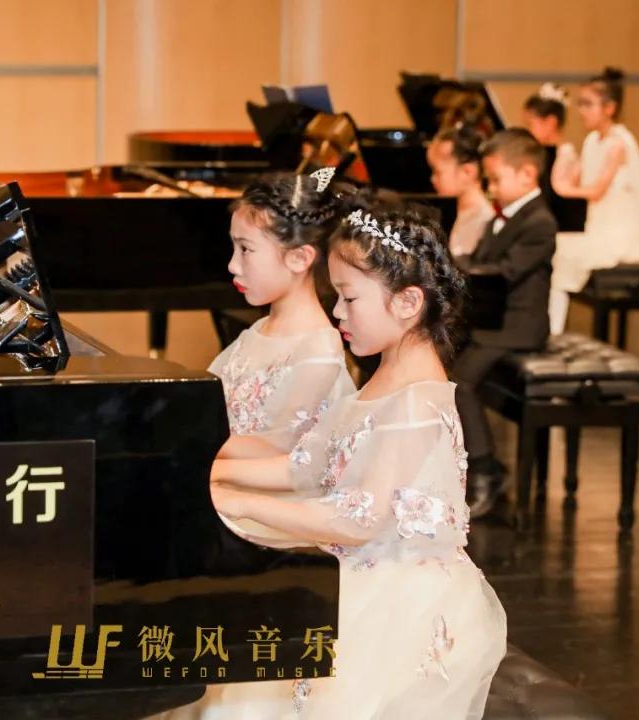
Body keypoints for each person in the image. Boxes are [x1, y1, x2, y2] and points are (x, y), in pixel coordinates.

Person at [156, 203, 507, 719]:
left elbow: (357, 519)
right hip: (351, 565)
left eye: (349, 297)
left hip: (396, 595)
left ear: (408, 302)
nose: (337, 312)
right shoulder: (386, 373)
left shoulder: (417, 401)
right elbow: (302, 466)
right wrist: (206, 475)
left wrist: (234, 503)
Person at [207, 169, 356, 546]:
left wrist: (189, 448)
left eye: (246, 249)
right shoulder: (257, 331)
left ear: (299, 258)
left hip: (270, 510)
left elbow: (276, 448)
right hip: (228, 481)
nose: (233, 264)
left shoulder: (317, 350)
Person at [451, 129, 556, 518]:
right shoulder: (504, 217)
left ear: (527, 174)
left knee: (460, 383)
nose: (490, 188)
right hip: (493, 319)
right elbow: (480, 259)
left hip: (517, 327)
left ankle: (486, 469)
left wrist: (464, 269)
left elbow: (504, 272)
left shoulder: (540, 222)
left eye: (495, 179)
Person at [549, 67, 639, 335]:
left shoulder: (619, 144)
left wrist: (563, 188)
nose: (581, 111)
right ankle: (552, 329)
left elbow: (596, 190)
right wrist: (563, 158)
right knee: (552, 248)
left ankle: (554, 331)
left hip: (620, 233)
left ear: (609, 108)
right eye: (580, 104)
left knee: (561, 254)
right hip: (598, 228)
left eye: (588, 104)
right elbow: (576, 176)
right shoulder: (592, 140)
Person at [426, 124, 493, 258]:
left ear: (468, 172)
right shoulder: (458, 213)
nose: (432, 179)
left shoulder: (483, 219)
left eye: (438, 172)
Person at [523, 81, 578, 192]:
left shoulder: (565, 155)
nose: (528, 130)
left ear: (550, 122)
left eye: (530, 124)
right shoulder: (543, 153)